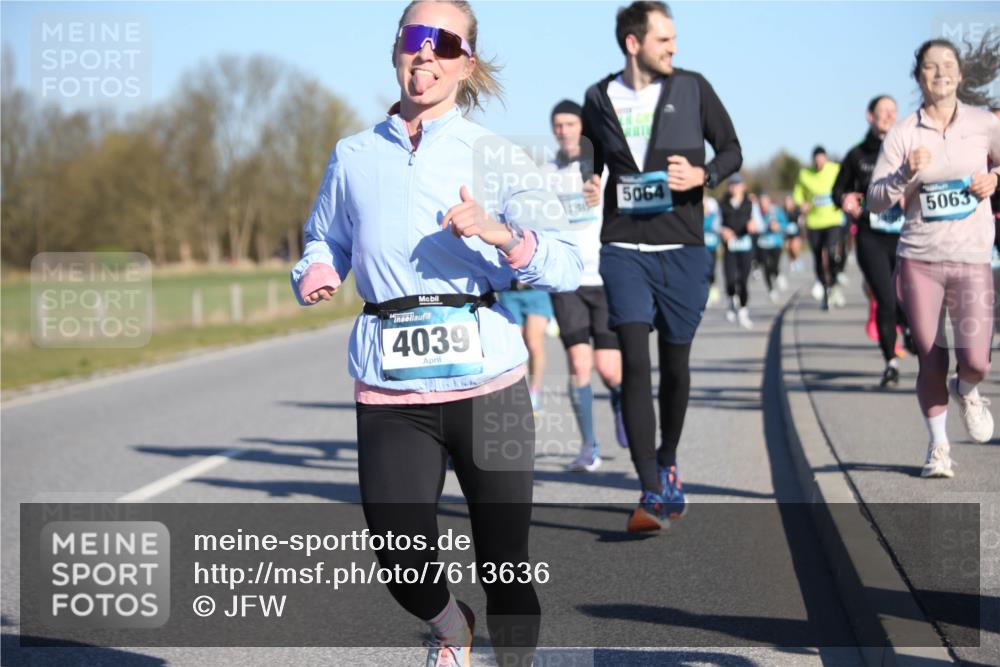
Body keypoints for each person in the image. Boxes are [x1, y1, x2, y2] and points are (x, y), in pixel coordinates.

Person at [290, 2, 582, 664]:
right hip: (392, 390)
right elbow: (324, 240)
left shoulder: (496, 155)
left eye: (445, 42)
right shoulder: (354, 155)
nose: (427, 52)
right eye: (415, 38)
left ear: (465, 62)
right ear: (396, 49)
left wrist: (503, 234)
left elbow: (566, 261)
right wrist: (316, 268)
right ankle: (451, 626)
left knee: (505, 561)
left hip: (489, 386)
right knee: (399, 557)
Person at [581, 0, 742, 532]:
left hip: (682, 249)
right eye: (664, 40)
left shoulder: (693, 88)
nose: (674, 48)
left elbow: (733, 149)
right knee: (634, 360)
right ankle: (649, 488)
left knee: (674, 366)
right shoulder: (598, 96)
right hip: (623, 248)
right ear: (634, 44)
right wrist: (588, 177)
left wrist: (705, 174)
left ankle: (668, 458)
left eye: (674, 40)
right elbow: (590, 148)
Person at [868, 38, 1000, 478]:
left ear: (961, 75)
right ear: (919, 76)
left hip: (973, 258)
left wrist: (994, 177)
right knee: (930, 356)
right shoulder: (903, 133)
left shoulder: (984, 124)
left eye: (948, 65)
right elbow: (873, 199)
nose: (940, 72)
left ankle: (968, 389)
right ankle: (939, 447)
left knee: (977, 359)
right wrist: (904, 174)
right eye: (930, 66)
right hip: (919, 260)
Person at [543, 99, 627, 473]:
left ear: (582, 127)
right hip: (567, 280)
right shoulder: (545, 172)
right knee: (579, 363)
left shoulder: (602, 168)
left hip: (605, 278)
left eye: (570, 124)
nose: (564, 130)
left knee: (609, 370)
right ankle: (588, 446)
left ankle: (622, 403)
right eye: (558, 125)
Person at [833, 95, 909, 388]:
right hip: (871, 236)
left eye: (893, 111)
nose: (889, 115)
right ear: (870, 116)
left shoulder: (908, 150)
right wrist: (844, 198)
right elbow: (837, 190)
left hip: (907, 235)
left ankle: (911, 332)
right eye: (883, 111)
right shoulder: (857, 155)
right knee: (886, 299)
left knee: (908, 297)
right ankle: (890, 361)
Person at [794, 146, 844, 310]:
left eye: (822, 159)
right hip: (814, 222)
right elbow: (797, 193)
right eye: (816, 160)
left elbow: (846, 183)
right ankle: (825, 288)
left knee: (830, 252)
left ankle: (835, 281)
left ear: (826, 159)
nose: (819, 163)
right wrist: (801, 204)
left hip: (832, 219)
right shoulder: (805, 174)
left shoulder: (835, 169)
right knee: (817, 257)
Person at [497, 280, 553, 413]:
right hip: (510, 293)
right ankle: (519, 393)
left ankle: (534, 392)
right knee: (515, 345)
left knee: (534, 344)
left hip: (536, 292)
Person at [720, 174, 758, 327]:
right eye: (731, 185)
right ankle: (731, 300)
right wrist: (723, 230)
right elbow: (716, 223)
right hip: (730, 247)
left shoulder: (750, 204)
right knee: (729, 280)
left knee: (743, 280)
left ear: (743, 186)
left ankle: (743, 311)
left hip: (745, 246)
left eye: (737, 184)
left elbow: (759, 223)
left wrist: (753, 225)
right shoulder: (722, 204)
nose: (734, 187)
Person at [757, 193, 788, 302]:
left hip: (776, 243)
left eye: (765, 202)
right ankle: (771, 289)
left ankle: (778, 274)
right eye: (761, 203)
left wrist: (778, 226)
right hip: (762, 244)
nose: (763, 205)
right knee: (765, 267)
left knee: (774, 265)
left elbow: (785, 224)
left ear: (769, 202)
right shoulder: (756, 212)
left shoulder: (776, 211)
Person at [704, 191, 722, 305]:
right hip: (700, 248)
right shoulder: (697, 216)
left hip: (712, 247)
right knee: (702, 270)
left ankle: (713, 286)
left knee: (711, 269)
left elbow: (717, 228)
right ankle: (705, 293)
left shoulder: (713, 216)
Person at [783, 194, 804, 272]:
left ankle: (797, 260)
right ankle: (792, 262)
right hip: (787, 234)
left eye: (789, 201)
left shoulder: (797, 211)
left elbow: (801, 222)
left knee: (794, 247)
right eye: (786, 201)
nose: (787, 203)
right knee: (788, 247)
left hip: (796, 233)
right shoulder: (783, 212)